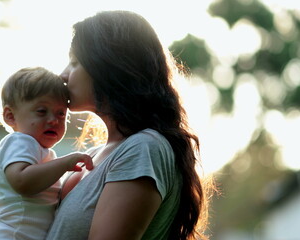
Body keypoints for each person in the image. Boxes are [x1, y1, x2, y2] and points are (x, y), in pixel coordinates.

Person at [45, 10, 214, 240]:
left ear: (106, 65)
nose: (63, 75)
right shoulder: (97, 154)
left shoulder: (143, 148)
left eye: (75, 62)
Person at [0, 67, 94, 240]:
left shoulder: (39, 150)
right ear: (11, 116)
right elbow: (22, 181)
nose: (53, 120)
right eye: (42, 111)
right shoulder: (19, 142)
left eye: (61, 114)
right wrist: (65, 164)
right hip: (13, 234)